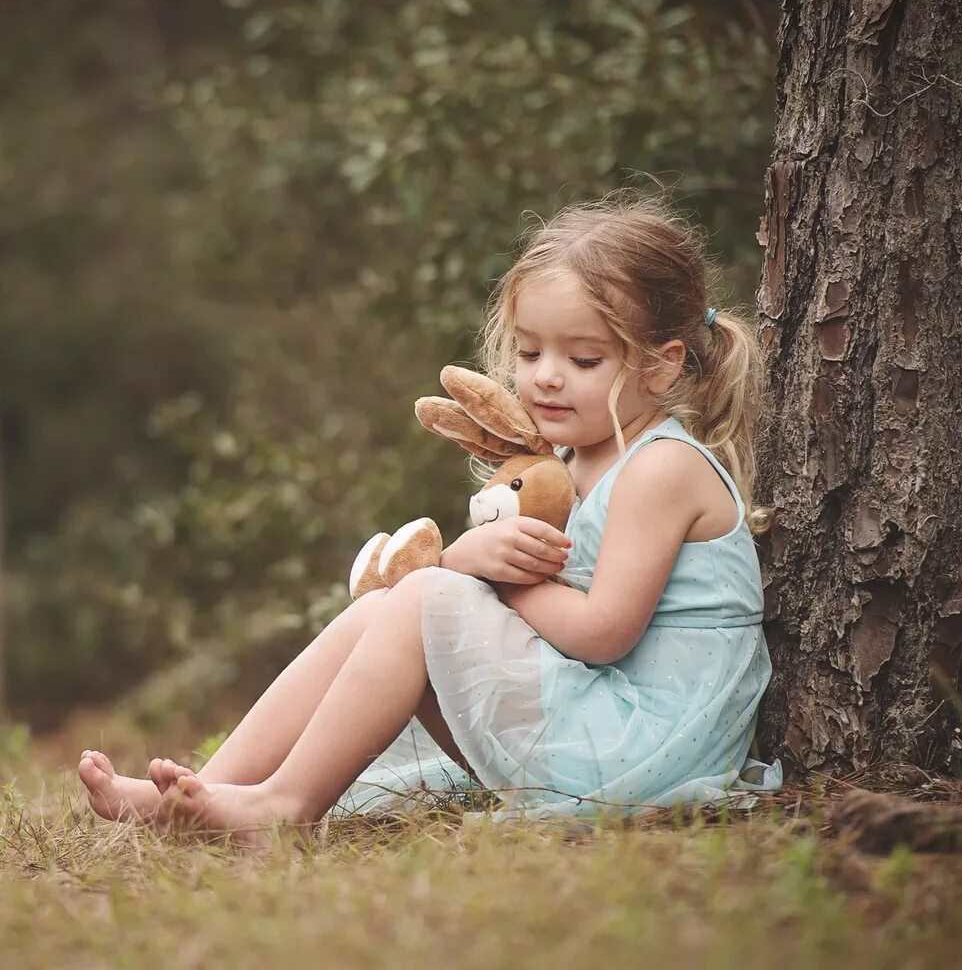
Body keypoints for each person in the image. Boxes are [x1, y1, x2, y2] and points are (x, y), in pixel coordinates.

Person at [78, 193, 783, 847]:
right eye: (531, 352)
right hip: (591, 723)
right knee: (392, 603)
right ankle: (213, 787)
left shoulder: (660, 467)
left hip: (640, 747)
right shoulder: (569, 456)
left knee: (422, 596)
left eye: (585, 358)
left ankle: (280, 808)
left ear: (661, 368)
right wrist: (472, 568)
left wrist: (486, 572)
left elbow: (601, 634)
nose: (544, 377)